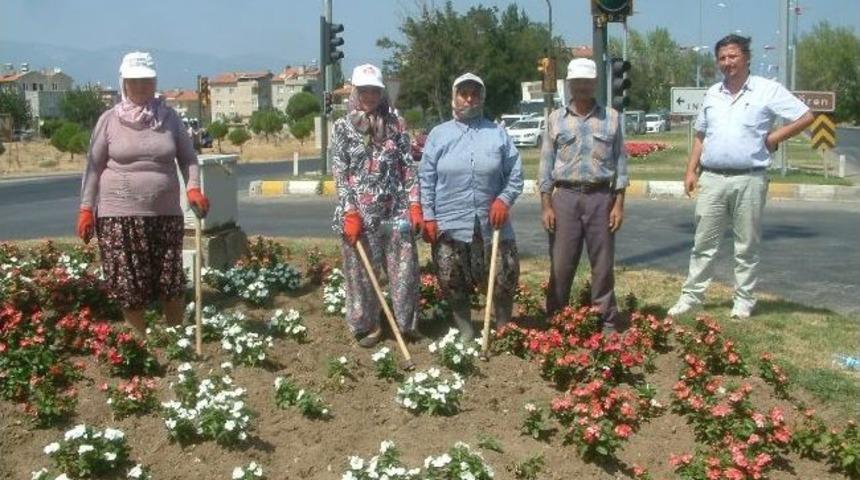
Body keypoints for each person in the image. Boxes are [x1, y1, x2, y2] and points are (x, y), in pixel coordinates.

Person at [667, 34, 814, 320]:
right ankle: (691, 297)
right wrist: (690, 170)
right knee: (703, 243)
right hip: (712, 179)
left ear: (746, 58)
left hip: (750, 178)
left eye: (732, 56)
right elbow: (700, 134)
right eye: (722, 58)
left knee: (746, 245)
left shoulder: (767, 90)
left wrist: (775, 137)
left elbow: (805, 117)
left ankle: (744, 300)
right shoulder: (712, 93)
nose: (727, 63)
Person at [76, 51, 210, 335]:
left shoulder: (170, 118)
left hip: (165, 213)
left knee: (170, 279)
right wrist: (86, 209)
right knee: (128, 282)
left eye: (146, 80)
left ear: (154, 81)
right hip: (119, 216)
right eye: (133, 81)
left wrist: (194, 188)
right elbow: (93, 168)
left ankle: (177, 339)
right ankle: (139, 343)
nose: (140, 87)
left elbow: (188, 159)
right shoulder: (108, 121)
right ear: (123, 82)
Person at [419, 73, 524, 340]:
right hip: (449, 222)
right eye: (463, 93)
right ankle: (465, 329)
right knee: (452, 279)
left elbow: (515, 174)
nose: (469, 98)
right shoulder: (438, 135)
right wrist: (428, 216)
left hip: (493, 222)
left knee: (503, 274)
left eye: (475, 93)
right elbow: (426, 178)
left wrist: (504, 199)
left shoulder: (498, 134)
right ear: (454, 97)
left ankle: (502, 328)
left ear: (482, 98)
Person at [331, 64, 423, 348]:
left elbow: (407, 167)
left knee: (404, 269)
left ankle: (405, 324)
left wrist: (415, 204)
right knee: (361, 273)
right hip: (358, 213)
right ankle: (368, 325)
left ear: (382, 92)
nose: (370, 95)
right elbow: (340, 172)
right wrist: (349, 210)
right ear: (355, 91)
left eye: (375, 90)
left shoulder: (396, 124)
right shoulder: (342, 128)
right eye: (364, 90)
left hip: (395, 209)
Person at [538, 58, 629, 332]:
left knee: (602, 264)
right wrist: (546, 205)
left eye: (587, 82)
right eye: (576, 82)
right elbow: (545, 164)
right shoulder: (555, 119)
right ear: (569, 84)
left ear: (595, 83)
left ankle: (607, 320)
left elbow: (621, 164)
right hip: (564, 197)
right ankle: (556, 318)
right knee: (562, 263)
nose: (581, 87)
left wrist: (619, 204)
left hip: (601, 198)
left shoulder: (612, 118)